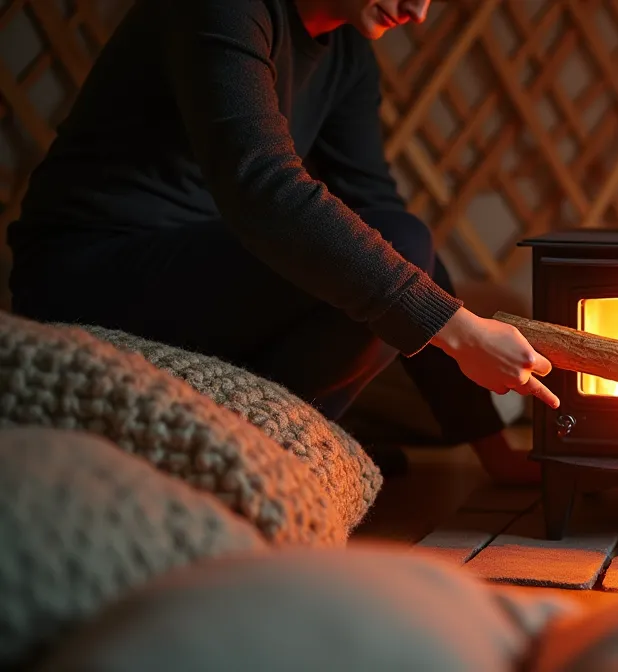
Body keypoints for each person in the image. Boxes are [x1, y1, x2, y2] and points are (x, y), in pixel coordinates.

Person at [5, 0, 556, 483]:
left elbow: (386, 217)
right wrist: (459, 332)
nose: (418, 11)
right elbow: (261, 187)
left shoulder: (348, 54)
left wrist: (491, 450)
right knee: (393, 244)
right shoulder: (223, 6)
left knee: (395, 236)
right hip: (93, 270)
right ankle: (266, 449)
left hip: (205, 281)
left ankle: (288, 440)